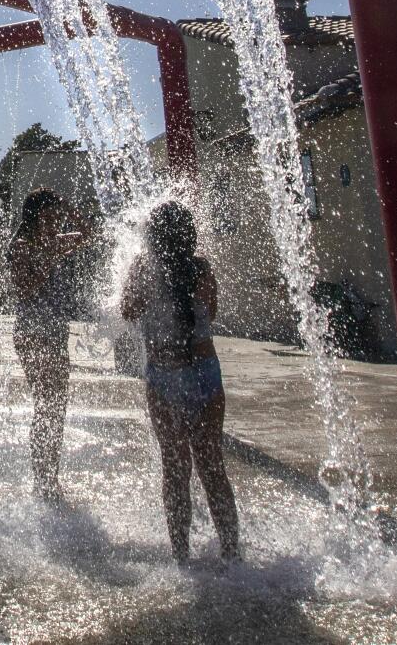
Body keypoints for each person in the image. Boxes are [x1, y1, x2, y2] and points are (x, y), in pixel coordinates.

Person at [121, 200, 239, 562]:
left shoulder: (143, 269)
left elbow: (127, 311)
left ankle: (181, 556)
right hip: (204, 371)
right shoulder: (202, 270)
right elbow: (212, 313)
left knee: (175, 469)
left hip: (164, 375)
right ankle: (232, 555)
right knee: (211, 465)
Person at [9, 187, 94, 501]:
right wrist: (48, 258)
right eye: (49, 215)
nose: (55, 221)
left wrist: (68, 205)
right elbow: (24, 289)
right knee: (46, 405)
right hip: (32, 333)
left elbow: (88, 232)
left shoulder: (55, 241)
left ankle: (49, 478)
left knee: (56, 408)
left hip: (55, 333)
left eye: (57, 216)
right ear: (34, 217)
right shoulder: (21, 246)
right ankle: (43, 481)